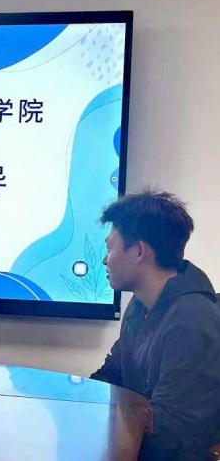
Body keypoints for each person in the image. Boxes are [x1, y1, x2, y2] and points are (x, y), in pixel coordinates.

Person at [91, 190, 220, 460]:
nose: (105, 259)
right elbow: (113, 374)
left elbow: (174, 435)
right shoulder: (140, 305)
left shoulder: (193, 319)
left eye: (110, 248)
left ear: (139, 251)